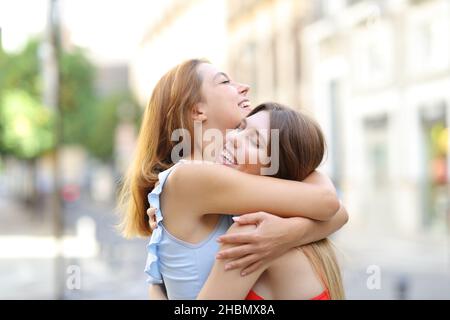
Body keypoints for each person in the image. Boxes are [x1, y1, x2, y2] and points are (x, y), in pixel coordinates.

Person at [117, 59, 348, 299]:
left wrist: (288, 232)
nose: (245, 87)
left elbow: (335, 208)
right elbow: (330, 204)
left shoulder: (239, 197)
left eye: (255, 140)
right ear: (197, 110)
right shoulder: (194, 178)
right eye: (225, 81)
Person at [197, 103, 345, 299]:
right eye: (240, 128)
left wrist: (156, 287)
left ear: (279, 171)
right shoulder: (304, 230)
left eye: (255, 142)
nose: (232, 138)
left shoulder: (253, 232)